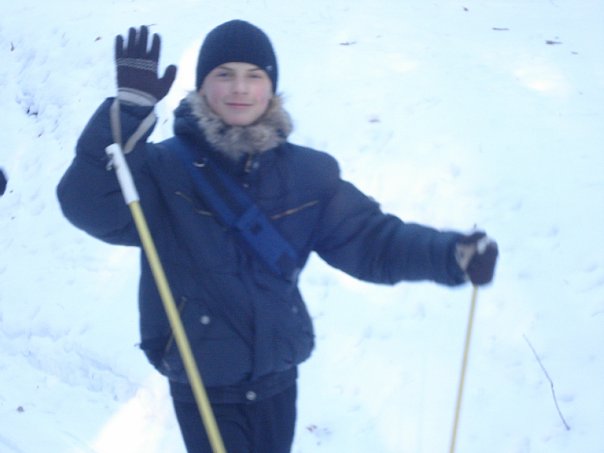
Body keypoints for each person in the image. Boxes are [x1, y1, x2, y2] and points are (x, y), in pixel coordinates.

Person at [57, 20, 498, 453]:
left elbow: (373, 241)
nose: (240, 88)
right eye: (224, 74)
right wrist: (128, 112)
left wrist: (451, 255)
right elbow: (86, 204)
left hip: (278, 377)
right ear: (202, 86)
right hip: (203, 379)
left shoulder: (308, 173)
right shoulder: (163, 170)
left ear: (271, 88)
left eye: (254, 75)